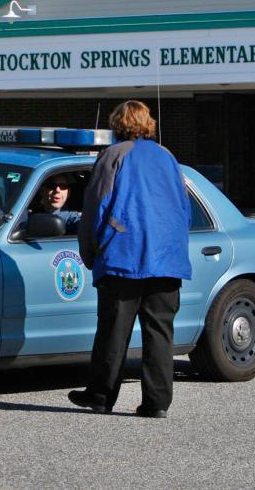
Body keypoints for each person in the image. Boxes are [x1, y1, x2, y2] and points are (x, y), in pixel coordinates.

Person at [69, 100, 192, 418]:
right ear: (147, 123)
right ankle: (157, 402)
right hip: (166, 260)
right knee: (160, 333)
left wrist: (90, 252)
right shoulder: (167, 157)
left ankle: (100, 395)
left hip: (123, 257)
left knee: (113, 331)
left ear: (117, 124)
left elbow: (95, 207)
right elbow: (183, 209)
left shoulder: (113, 156)